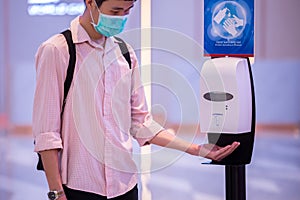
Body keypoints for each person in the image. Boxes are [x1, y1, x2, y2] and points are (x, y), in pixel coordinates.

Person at [32, 0, 240, 199]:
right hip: (79, 188)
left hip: (125, 186)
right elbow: (47, 132)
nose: (121, 17)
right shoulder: (57, 50)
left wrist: (196, 149)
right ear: (90, 2)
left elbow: (141, 122)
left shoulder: (125, 54)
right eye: (115, 11)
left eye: (127, 11)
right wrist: (56, 193)